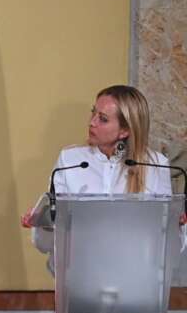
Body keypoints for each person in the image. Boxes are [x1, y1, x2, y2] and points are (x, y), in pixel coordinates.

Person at [22, 84, 185, 269]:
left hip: (136, 274)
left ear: (125, 131)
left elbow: (168, 248)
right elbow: (44, 245)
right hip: (79, 274)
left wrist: (176, 226)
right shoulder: (70, 160)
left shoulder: (156, 165)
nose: (92, 122)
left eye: (103, 119)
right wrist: (44, 223)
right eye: (93, 113)